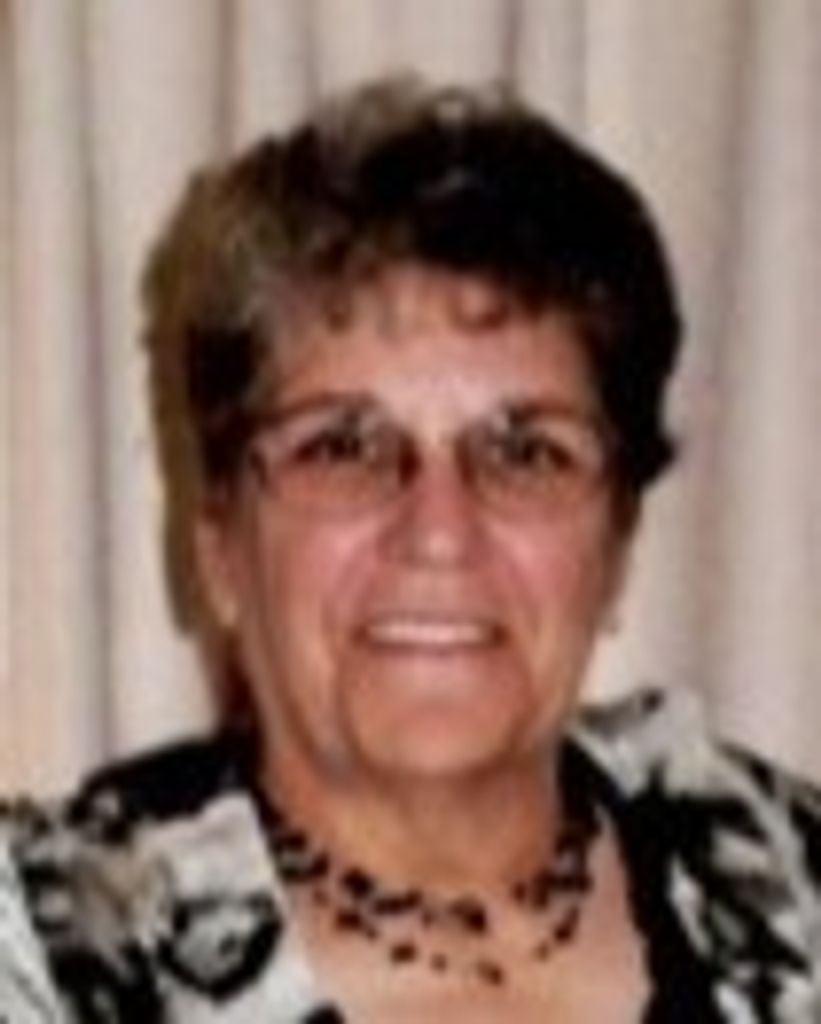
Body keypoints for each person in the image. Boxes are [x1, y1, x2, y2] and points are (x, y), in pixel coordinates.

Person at [1, 75, 820, 1023]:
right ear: (219, 545)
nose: (438, 533)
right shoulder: (47, 955)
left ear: (617, 543)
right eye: (342, 447)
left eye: (526, 452)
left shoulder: (788, 888)